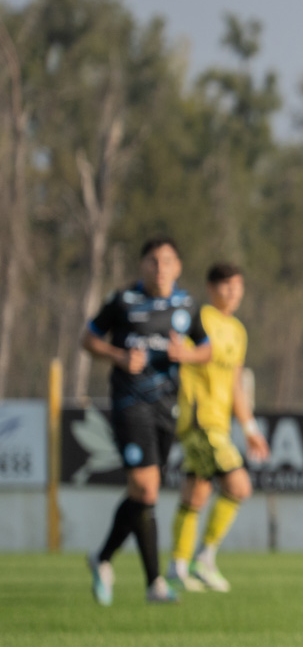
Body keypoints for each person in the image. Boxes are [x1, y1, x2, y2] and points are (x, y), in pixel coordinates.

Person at [83, 237, 211, 605]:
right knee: (148, 488)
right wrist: (119, 356)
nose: (160, 268)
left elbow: (207, 349)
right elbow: (87, 339)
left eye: (167, 261)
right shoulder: (123, 302)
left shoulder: (186, 305)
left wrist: (185, 353)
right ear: (142, 265)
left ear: (178, 267)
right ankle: (154, 583)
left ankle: (103, 558)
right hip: (129, 403)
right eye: (153, 261)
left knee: (144, 492)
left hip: (166, 407)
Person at [169, 262, 271, 593]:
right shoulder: (198, 319)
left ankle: (178, 565)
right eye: (227, 285)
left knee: (196, 492)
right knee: (239, 486)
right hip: (199, 420)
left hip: (219, 424)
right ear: (211, 287)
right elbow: (174, 353)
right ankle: (204, 558)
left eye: (238, 286)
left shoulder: (238, 331)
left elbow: (235, 385)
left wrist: (250, 427)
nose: (234, 292)